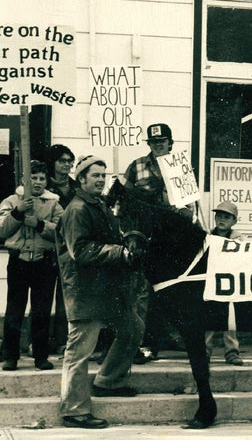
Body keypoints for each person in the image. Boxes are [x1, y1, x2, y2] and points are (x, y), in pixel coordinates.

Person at [56, 155, 143, 430]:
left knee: (132, 328)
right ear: (81, 179)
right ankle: (74, 411)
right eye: (95, 176)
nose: (101, 180)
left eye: (103, 176)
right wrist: (119, 252)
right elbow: (80, 251)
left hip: (107, 290)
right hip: (86, 292)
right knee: (79, 351)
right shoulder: (77, 209)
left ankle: (108, 381)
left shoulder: (99, 205)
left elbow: (110, 238)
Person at [0, 160, 63, 371]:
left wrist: (38, 223)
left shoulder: (54, 203)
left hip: (44, 262)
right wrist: (18, 213)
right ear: (24, 180)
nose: (37, 182)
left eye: (41, 178)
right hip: (18, 260)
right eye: (33, 178)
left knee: (42, 311)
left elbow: (61, 232)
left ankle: (41, 356)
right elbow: (2, 230)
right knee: (14, 310)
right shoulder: (10, 201)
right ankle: (10, 356)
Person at [124, 123, 174, 363]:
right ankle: (143, 341)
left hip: (172, 236)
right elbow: (124, 197)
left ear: (170, 142)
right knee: (143, 289)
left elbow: (191, 203)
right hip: (145, 234)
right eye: (154, 142)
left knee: (170, 287)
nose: (158, 145)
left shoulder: (180, 167)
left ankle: (169, 337)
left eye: (162, 141)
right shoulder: (137, 166)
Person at [45, 144, 78, 354]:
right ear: (52, 163)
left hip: (70, 249)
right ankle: (41, 342)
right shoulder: (44, 187)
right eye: (62, 161)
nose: (66, 165)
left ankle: (61, 339)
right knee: (44, 296)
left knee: (66, 297)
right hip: (48, 248)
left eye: (69, 161)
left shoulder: (76, 188)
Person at [204, 201, 243, 365]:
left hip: (229, 284)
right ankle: (204, 352)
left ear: (234, 221)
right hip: (210, 283)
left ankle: (232, 352)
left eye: (226, 217)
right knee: (207, 318)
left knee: (230, 319)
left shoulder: (239, 240)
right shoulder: (206, 237)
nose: (221, 219)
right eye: (219, 216)